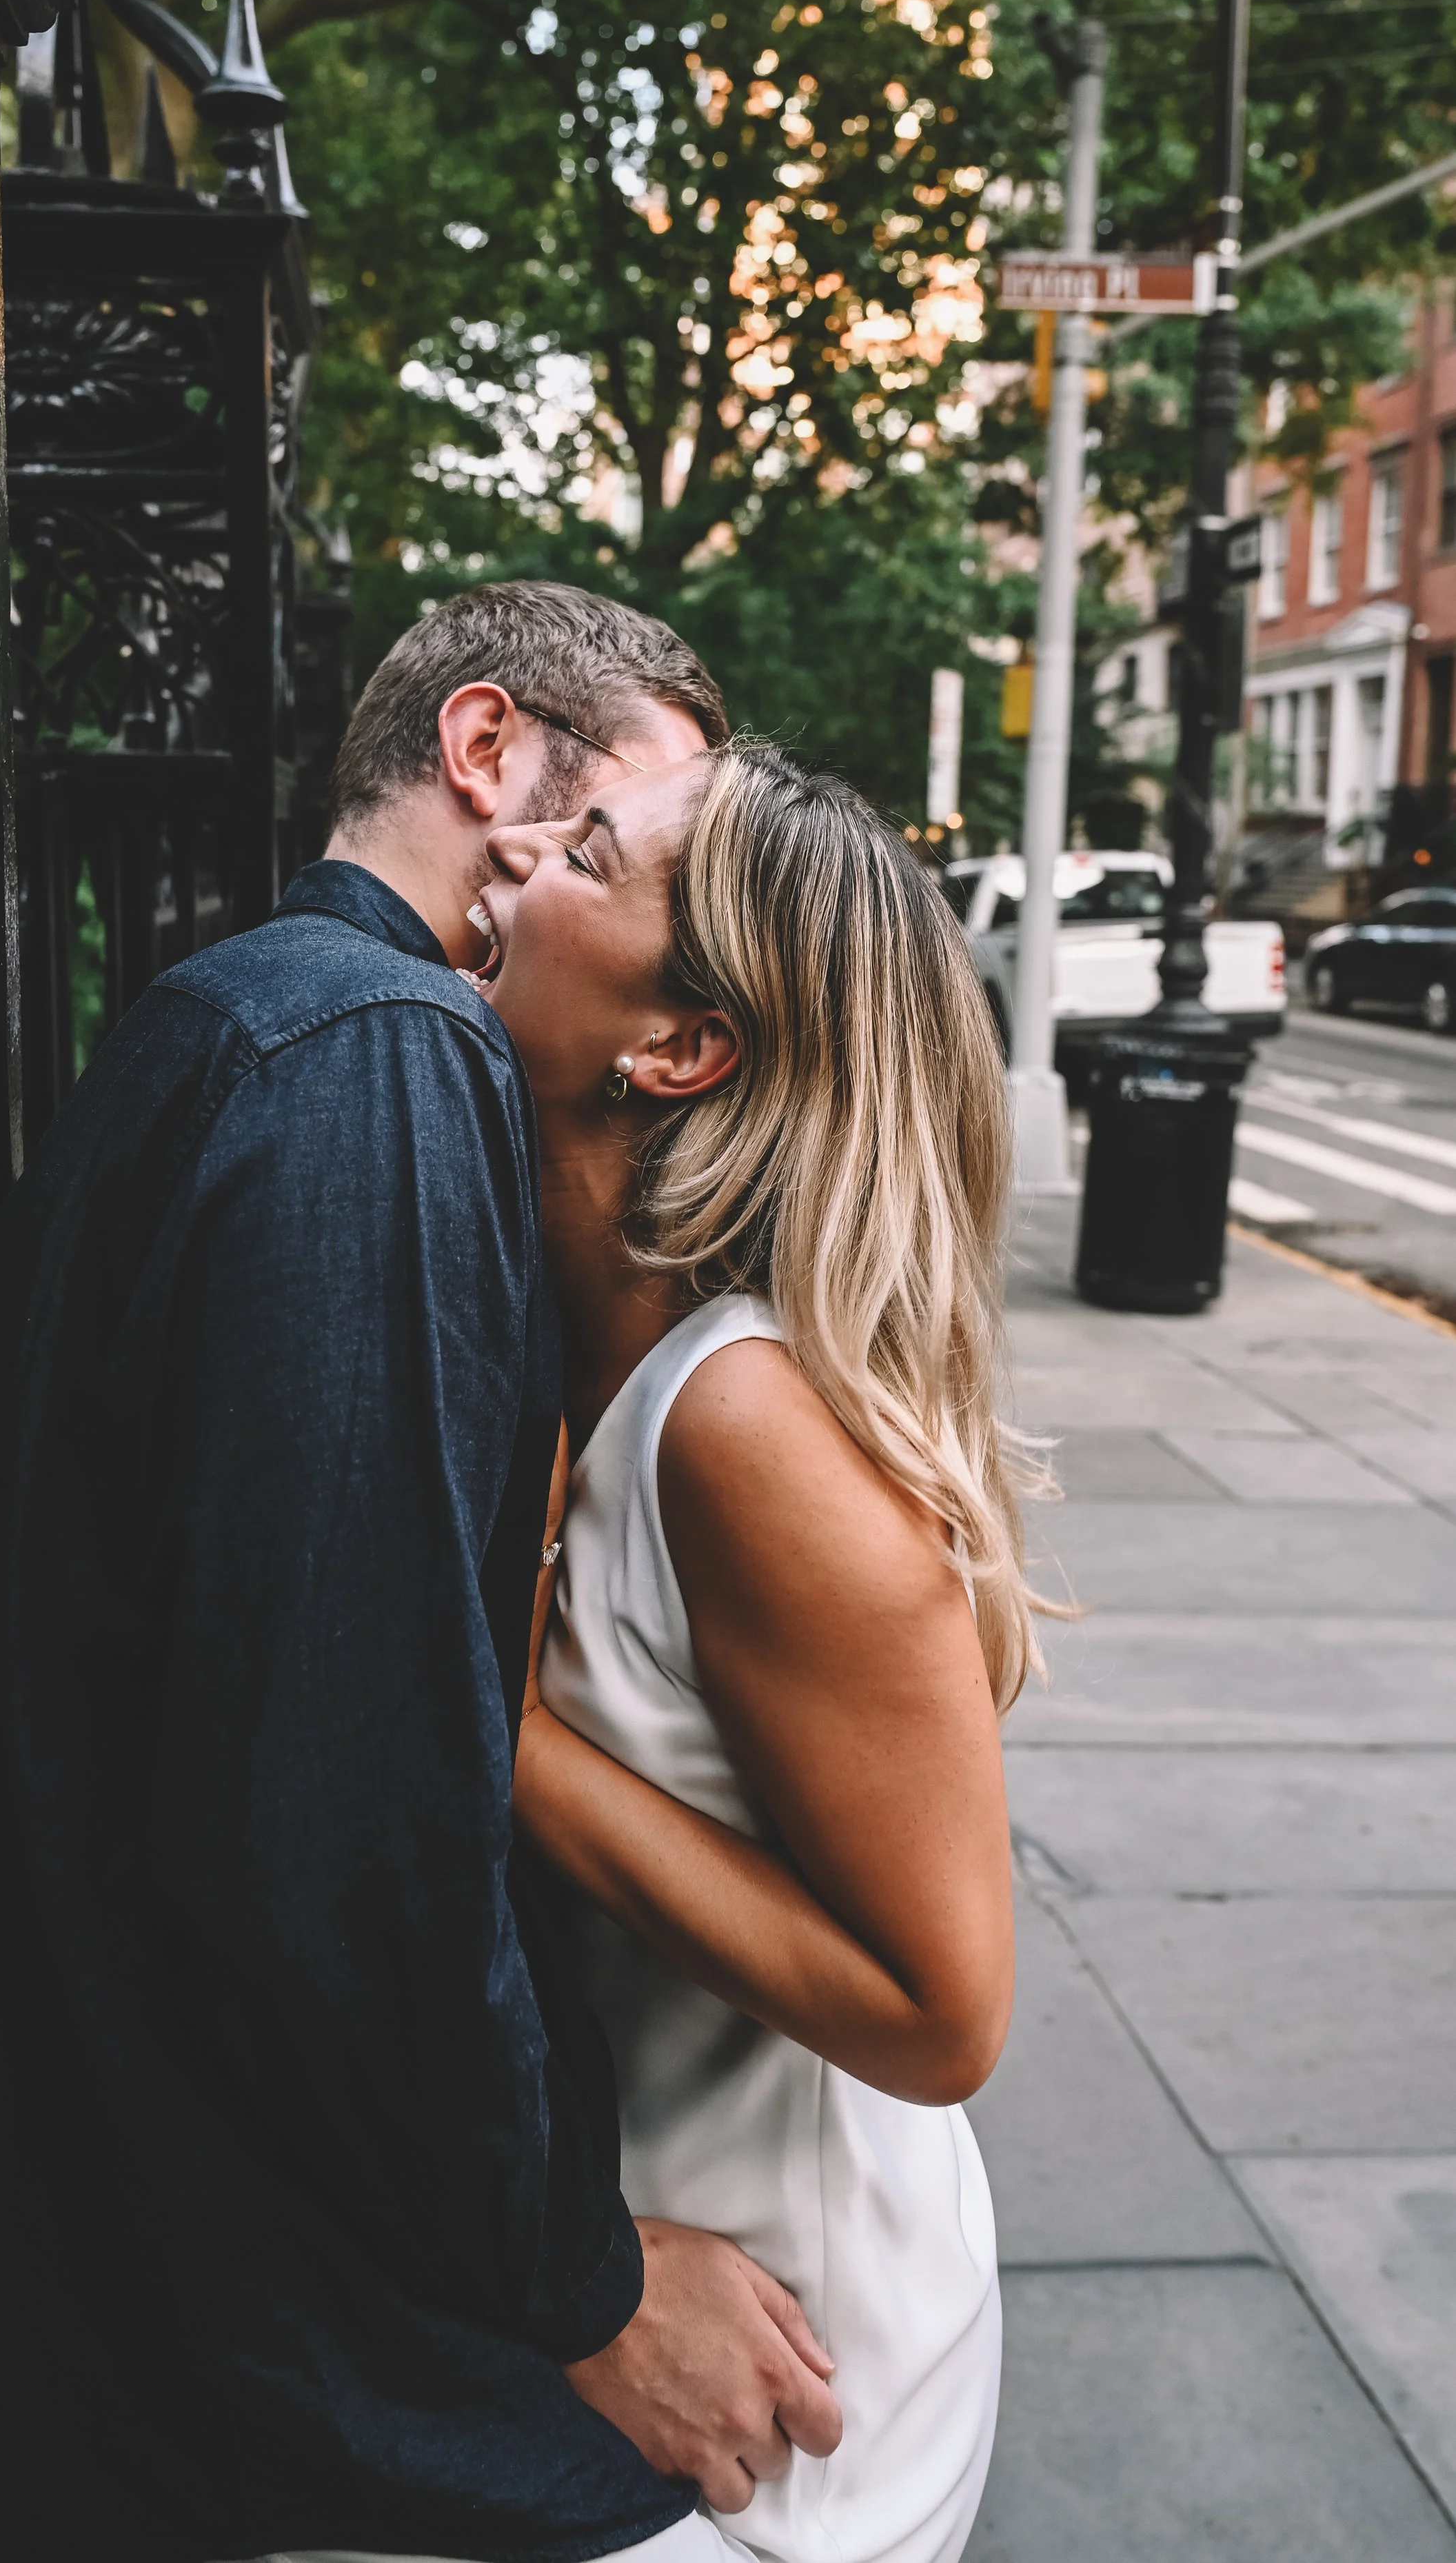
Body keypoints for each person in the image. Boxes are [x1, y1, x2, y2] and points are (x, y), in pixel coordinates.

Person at [0, 585, 845, 2563]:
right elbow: (337, 1807)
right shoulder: (372, 1053)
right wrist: (579, 2284)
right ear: (486, 754)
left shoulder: (254, 1018)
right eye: (625, 828)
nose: (626, 880)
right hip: (235, 2314)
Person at [467, 743, 1040, 2563]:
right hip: (623, 2278)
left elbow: (947, 2009)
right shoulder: (584, 1348)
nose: (505, 846)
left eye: (579, 847)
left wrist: (499, 1743)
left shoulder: (745, 1428)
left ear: (678, 1044)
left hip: (783, 2397)